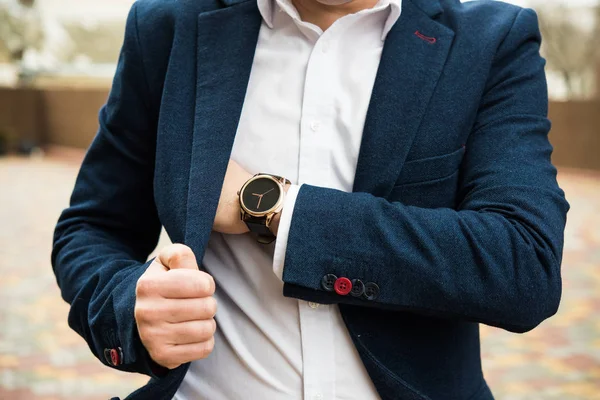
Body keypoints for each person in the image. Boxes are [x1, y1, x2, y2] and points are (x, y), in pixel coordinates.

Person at [51, 0, 570, 398]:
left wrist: (272, 207)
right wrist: (130, 307)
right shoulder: (168, 27)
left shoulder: (490, 41)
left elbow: (523, 264)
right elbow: (92, 228)